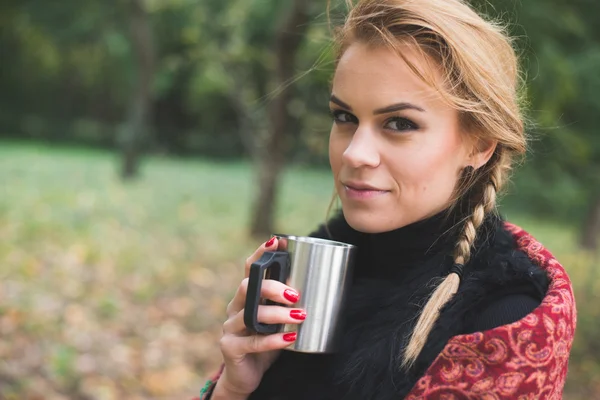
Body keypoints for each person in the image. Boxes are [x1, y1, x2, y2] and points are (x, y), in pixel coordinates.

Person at [199, 0, 576, 398]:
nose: (354, 154)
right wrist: (234, 389)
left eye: (400, 124)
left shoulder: (503, 316)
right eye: (344, 117)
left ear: (479, 145)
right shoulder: (318, 268)